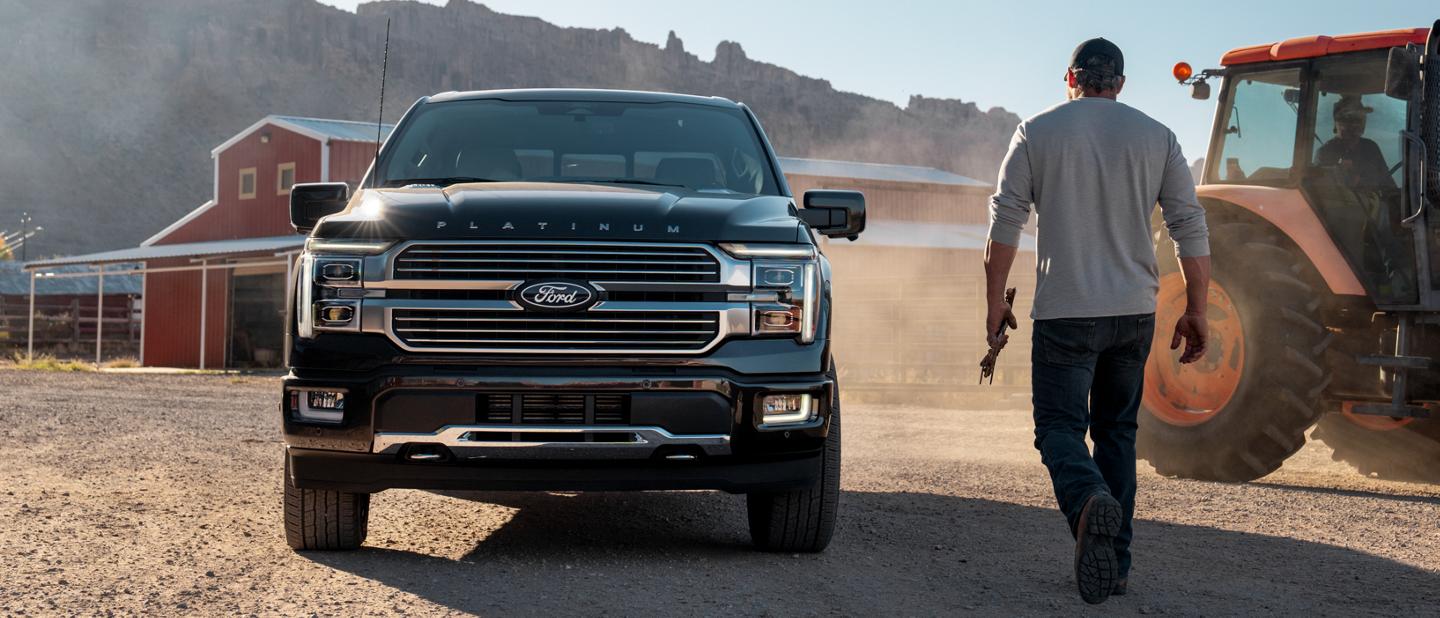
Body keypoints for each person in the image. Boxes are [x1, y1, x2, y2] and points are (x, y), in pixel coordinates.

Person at [982, 38, 1211, 605]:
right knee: (1116, 432)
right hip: (1133, 312)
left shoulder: (1036, 131)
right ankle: (1118, 566)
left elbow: (1006, 221)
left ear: (1071, 78)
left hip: (1066, 311)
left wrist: (994, 301)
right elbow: (1189, 225)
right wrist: (1197, 309)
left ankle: (1088, 501)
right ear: (1120, 84)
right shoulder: (1158, 136)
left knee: (1058, 429)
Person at [1315, 95, 1395, 191]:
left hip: (1374, 200)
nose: (1355, 124)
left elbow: (1389, 185)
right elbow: (1319, 193)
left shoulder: (1371, 148)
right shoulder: (1325, 153)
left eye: (1359, 119)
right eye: (1349, 119)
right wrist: (1338, 175)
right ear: (1337, 123)